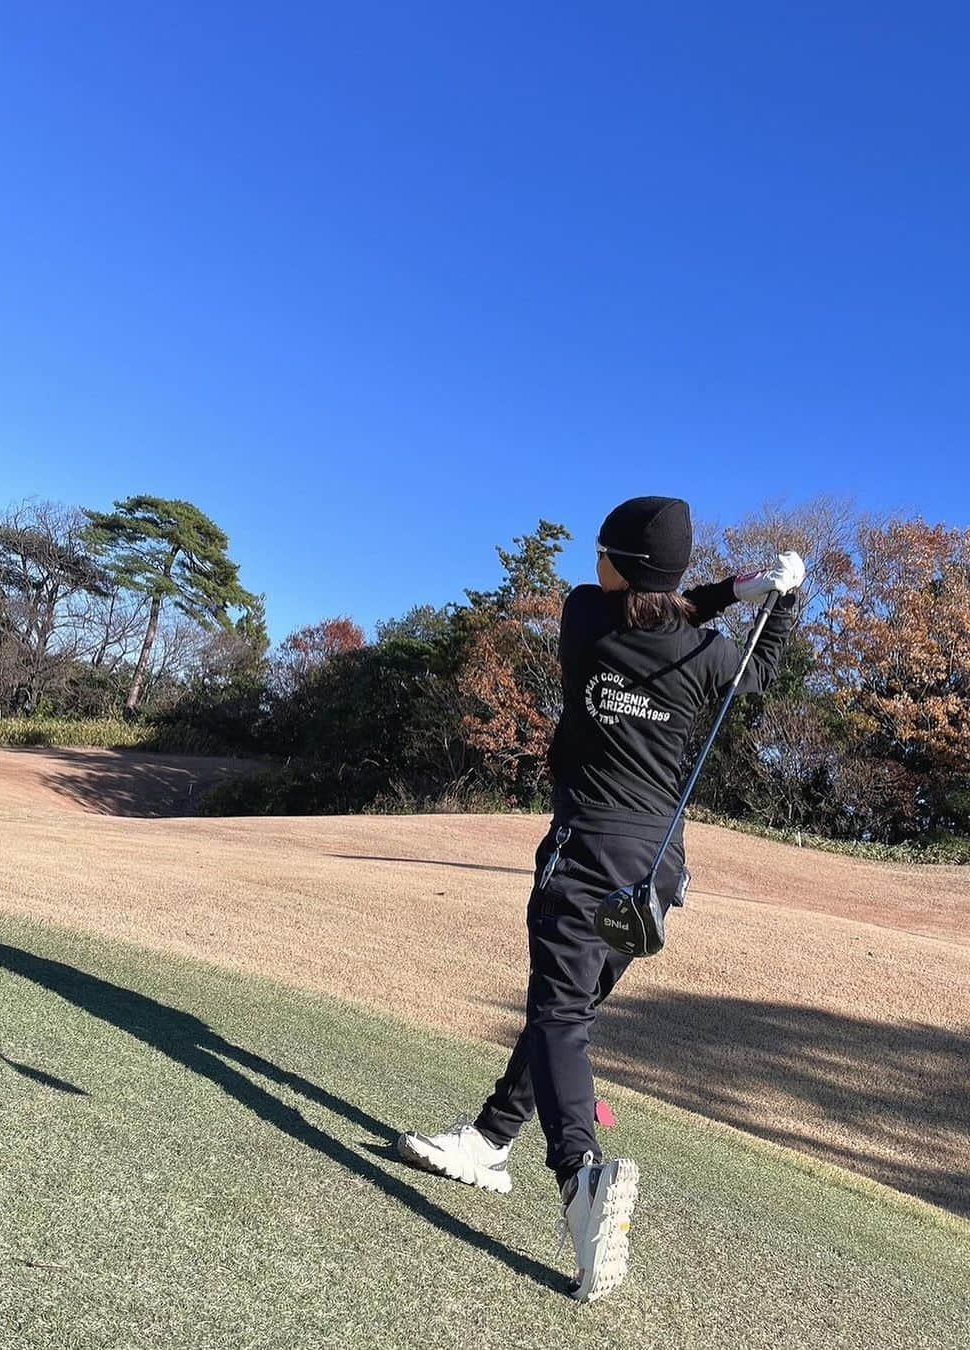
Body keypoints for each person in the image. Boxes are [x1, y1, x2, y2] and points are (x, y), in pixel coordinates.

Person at [397, 496, 805, 1302]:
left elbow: (646, 605)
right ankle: (489, 1138)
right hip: (655, 874)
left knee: (558, 1016)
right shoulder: (707, 655)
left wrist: (740, 586)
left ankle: (579, 1174)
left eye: (601, 552)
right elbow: (756, 669)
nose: (593, 565)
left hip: (585, 853)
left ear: (616, 566)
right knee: (568, 1013)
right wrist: (781, 601)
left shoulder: (586, 619)